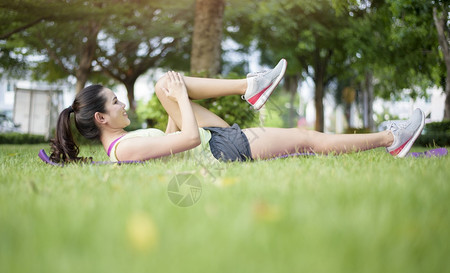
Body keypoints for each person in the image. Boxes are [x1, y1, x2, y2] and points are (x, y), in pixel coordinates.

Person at [49, 59, 425, 163]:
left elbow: (169, 145)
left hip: (215, 143)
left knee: (166, 83)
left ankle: (252, 86)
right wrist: (180, 101)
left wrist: (174, 99)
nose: (123, 103)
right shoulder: (124, 149)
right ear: (101, 119)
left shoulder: (124, 145)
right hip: (223, 150)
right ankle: (393, 138)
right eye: (116, 102)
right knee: (307, 139)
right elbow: (189, 139)